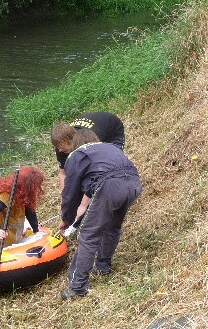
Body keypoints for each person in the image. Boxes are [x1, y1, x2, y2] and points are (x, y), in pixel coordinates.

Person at [59, 128, 142, 299]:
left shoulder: (77, 155)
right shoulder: (109, 147)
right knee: (113, 227)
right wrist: (82, 209)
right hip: (133, 184)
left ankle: (77, 286)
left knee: (88, 236)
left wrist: (67, 219)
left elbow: (69, 193)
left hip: (110, 186)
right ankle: (103, 266)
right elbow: (96, 178)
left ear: (76, 144)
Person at [0, 166, 44, 250]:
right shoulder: (7, 194)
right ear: (28, 185)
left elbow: (30, 211)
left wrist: (36, 230)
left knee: (7, 232)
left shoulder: (24, 193)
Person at [51, 111, 125, 192]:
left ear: (71, 141)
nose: (60, 150)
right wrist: (63, 196)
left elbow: (96, 169)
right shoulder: (61, 147)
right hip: (95, 124)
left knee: (112, 163)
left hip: (112, 129)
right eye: (58, 147)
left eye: (62, 148)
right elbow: (63, 173)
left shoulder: (89, 141)